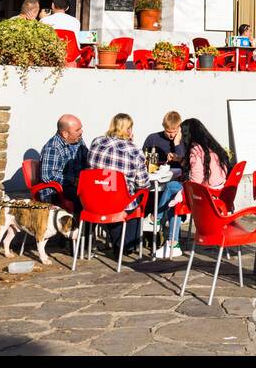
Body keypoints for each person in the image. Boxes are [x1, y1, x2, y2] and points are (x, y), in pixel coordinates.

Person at [87, 113, 148, 255]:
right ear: (128, 130)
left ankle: (119, 240)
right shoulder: (134, 151)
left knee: (113, 195)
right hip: (120, 203)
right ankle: (126, 244)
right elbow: (143, 183)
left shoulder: (96, 142)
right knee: (140, 198)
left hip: (94, 200)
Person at [143, 111, 187, 258]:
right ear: (163, 127)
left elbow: (185, 165)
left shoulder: (182, 140)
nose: (171, 135)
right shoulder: (153, 138)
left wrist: (177, 143)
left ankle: (161, 228)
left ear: (179, 128)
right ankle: (166, 239)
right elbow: (144, 159)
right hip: (155, 182)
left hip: (176, 185)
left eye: (174, 132)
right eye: (168, 132)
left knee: (173, 195)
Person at [37, 114, 88, 208]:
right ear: (65, 134)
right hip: (55, 192)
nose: (81, 132)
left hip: (74, 186)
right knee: (87, 198)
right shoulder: (53, 147)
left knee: (99, 193)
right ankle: (83, 222)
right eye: (77, 130)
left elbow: (87, 162)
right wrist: (73, 181)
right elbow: (48, 176)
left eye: (81, 128)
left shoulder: (78, 140)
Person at [183, 117, 233, 188]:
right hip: (220, 187)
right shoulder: (213, 146)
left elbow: (196, 181)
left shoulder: (196, 151)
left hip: (205, 192)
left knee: (172, 186)